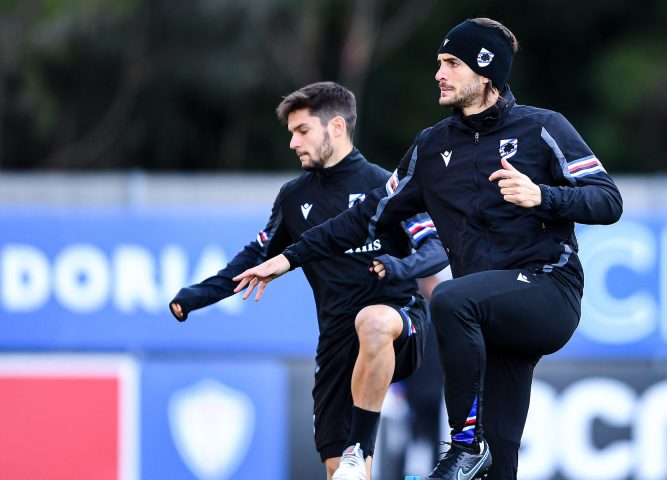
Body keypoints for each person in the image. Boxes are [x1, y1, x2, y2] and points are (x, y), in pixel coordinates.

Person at [234, 18, 623, 480]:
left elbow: (608, 200)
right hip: (490, 315)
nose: (439, 73)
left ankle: (463, 442)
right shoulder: (432, 146)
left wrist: (543, 195)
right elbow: (364, 217)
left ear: (486, 73)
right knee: (500, 466)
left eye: (452, 63)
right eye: (439, 62)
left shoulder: (543, 129)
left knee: (452, 298)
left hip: (549, 292)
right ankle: (477, 455)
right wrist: (287, 257)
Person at [169, 81, 448, 480]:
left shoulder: (387, 186)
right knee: (340, 475)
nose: (293, 143)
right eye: (291, 134)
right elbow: (257, 257)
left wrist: (401, 269)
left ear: (336, 127)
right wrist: (196, 296)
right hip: (337, 342)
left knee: (373, 321)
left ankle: (360, 446)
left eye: (302, 131)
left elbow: (436, 248)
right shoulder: (293, 198)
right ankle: (352, 460)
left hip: (400, 322)